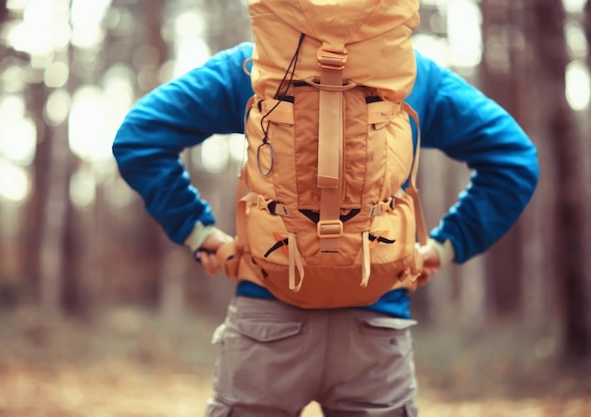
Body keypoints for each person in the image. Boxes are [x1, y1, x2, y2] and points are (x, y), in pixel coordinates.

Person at [112, 42, 539, 416]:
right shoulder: (410, 73)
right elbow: (514, 159)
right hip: (377, 328)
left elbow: (139, 136)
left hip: (266, 322)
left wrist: (197, 232)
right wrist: (443, 248)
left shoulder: (255, 66)